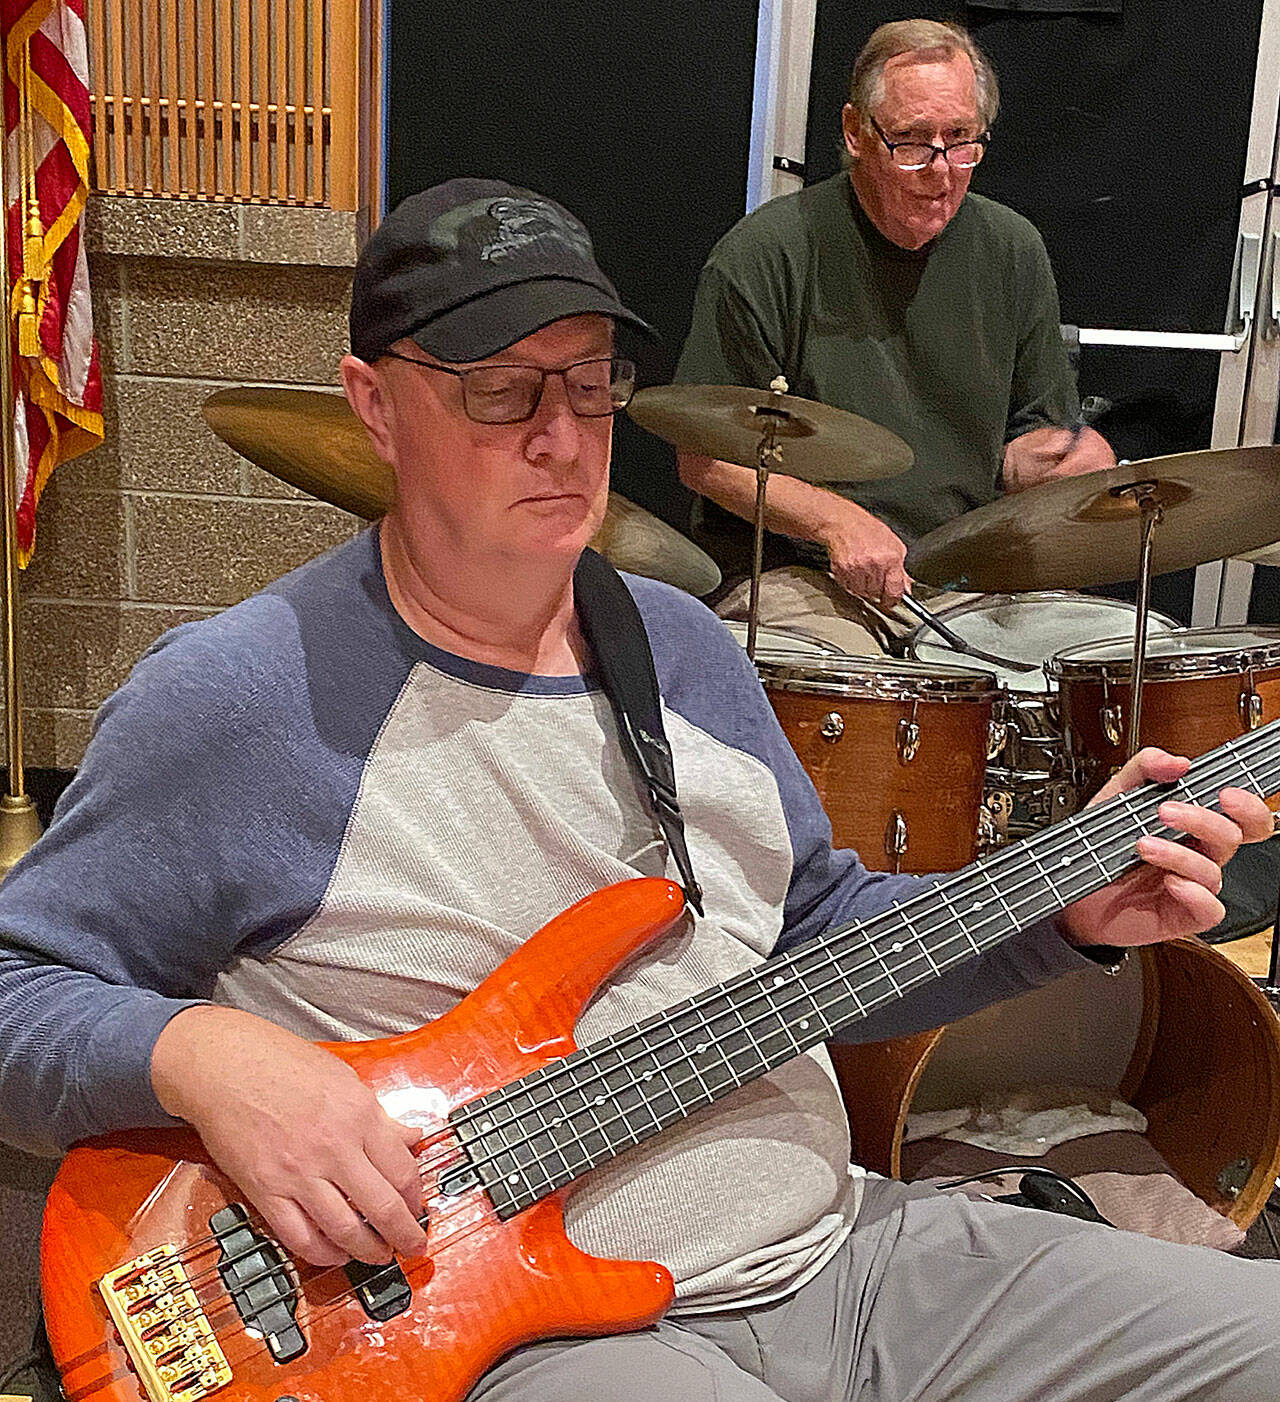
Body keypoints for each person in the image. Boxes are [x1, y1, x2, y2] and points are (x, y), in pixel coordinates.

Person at [0, 177, 1276, 1402]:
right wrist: (208, 1054)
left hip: (845, 1255)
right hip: (529, 1334)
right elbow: (17, 992)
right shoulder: (243, 694)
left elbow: (813, 935)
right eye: (499, 389)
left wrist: (1059, 912)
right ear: (373, 407)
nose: (559, 435)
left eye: (591, 384)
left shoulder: (681, 646)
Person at [674, 19, 1116, 653]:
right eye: (910, 141)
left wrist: (1058, 464)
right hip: (798, 576)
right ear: (855, 132)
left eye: (961, 140)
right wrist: (835, 520)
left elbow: (1025, 437)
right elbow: (704, 458)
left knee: (1097, 661)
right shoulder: (767, 254)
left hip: (961, 577)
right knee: (859, 697)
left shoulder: (1013, 250)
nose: (939, 172)